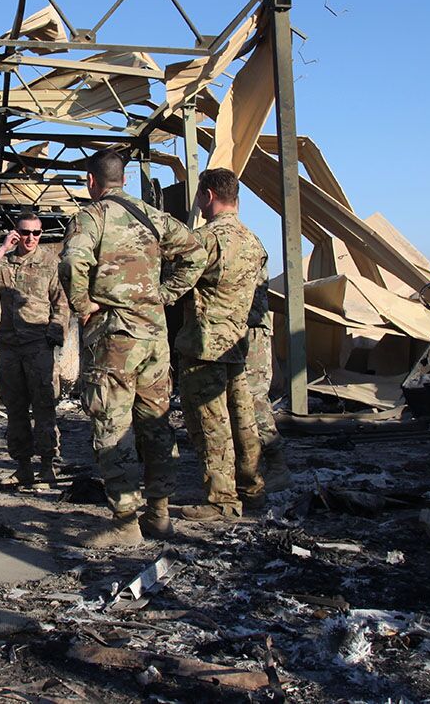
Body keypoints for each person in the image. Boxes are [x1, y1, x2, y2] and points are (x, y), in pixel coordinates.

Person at [60, 149, 206, 548]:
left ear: (92, 181)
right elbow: (196, 253)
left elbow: (72, 263)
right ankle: (159, 514)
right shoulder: (153, 217)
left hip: (115, 340)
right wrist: (163, 294)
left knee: (112, 424)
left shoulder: (91, 217)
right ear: (123, 179)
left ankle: (125, 520)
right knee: (156, 422)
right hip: (154, 338)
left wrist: (84, 306)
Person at [176, 168, 268, 520]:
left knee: (210, 423)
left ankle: (221, 500)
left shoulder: (204, 240)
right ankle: (252, 488)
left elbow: (178, 283)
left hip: (204, 346)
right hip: (236, 345)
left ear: (208, 196)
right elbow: (259, 301)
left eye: (200, 194)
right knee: (243, 420)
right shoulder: (253, 241)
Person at [0, 210, 68, 486]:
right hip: (10, 347)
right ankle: (23, 466)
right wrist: (2, 250)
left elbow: (61, 303)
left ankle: (48, 465)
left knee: (44, 407)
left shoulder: (50, 263)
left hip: (38, 345)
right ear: (16, 233)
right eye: (25, 232)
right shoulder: (4, 263)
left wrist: (53, 335)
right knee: (15, 408)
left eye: (36, 233)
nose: (30, 238)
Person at [246, 262, 292, 492]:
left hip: (247, 330)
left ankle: (276, 466)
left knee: (254, 401)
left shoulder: (240, 242)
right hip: (239, 329)